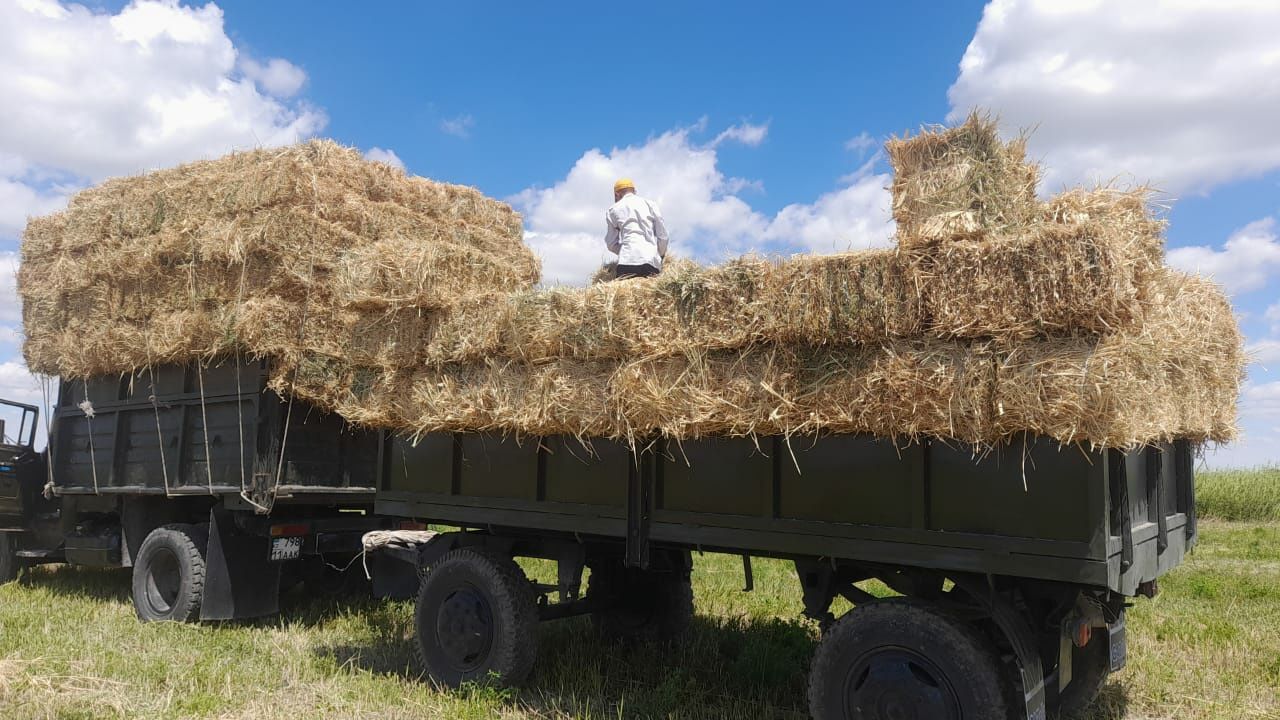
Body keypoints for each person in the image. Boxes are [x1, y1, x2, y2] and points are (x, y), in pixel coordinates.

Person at [604, 178, 668, 279]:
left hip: (627, 261)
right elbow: (663, 236)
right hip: (650, 260)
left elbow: (611, 244)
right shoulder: (650, 204)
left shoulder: (613, 209)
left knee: (625, 295)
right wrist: (659, 253)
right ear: (634, 191)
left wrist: (625, 250)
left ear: (617, 194)